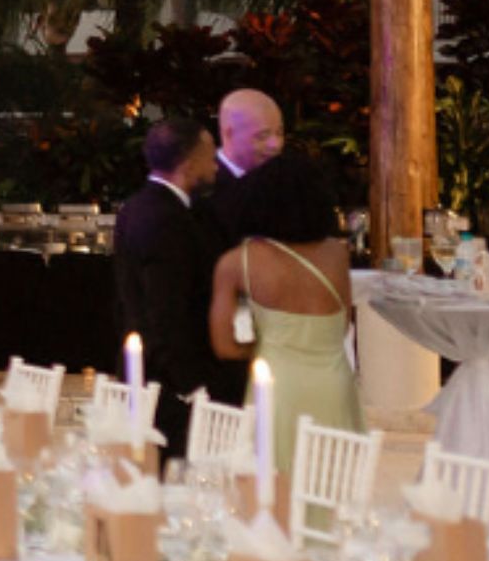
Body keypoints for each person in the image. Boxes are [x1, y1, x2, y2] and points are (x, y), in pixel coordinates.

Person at [207, 152, 362, 491]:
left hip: (277, 388)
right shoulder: (337, 253)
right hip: (333, 386)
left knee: (273, 493)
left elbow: (224, 346)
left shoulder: (238, 262)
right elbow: (344, 324)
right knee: (328, 491)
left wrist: (267, 348)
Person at [113, 117, 238, 454]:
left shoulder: (135, 207)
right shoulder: (169, 220)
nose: (216, 164)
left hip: (146, 374)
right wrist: (193, 385)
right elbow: (166, 311)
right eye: (210, 155)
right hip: (167, 387)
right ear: (188, 162)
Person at [203, 88, 285, 241]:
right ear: (229, 134)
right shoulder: (205, 186)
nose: (276, 144)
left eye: (279, 133)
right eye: (263, 136)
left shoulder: (285, 179)